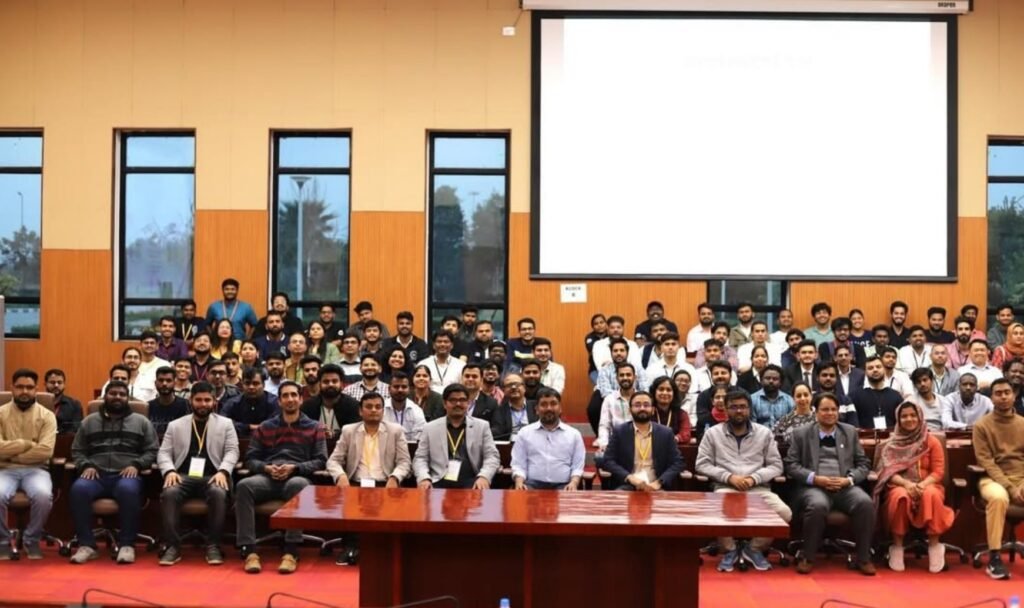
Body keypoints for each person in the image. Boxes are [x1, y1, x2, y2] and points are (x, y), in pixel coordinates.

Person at [695, 389, 791, 572]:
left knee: (784, 513)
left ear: (749, 409)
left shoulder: (764, 433)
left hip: (758, 488)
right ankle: (730, 549)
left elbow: (776, 465)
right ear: (725, 409)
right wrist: (729, 477)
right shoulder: (713, 433)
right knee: (715, 509)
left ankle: (753, 549)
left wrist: (754, 478)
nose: (739, 411)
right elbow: (701, 464)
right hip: (725, 487)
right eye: (733, 407)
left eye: (743, 407)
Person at [236, 381, 327, 575]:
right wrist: (266, 468)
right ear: (279, 401)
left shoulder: (314, 427)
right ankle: (249, 549)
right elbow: (250, 459)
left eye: (294, 395)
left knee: (298, 485)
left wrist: (296, 468)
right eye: (285, 396)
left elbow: (321, 460)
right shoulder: (265, 427)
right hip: (268, 477)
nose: (290, 399)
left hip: (297, 477)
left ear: (301, 399)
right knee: (244, 486)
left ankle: (291, 551)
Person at [784, 392, 875, 576]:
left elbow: (864, 464)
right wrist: (815, 479)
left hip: (844, 485)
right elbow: (791, 465)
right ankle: (808, 557)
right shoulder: (801, 433)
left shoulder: (849, 432)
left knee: (865, 503)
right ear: (815, 412)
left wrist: (849, 480)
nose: (830, 413)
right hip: (814, 486)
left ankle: (863, 558)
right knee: (817, 505)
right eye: (825, 409)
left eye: (834, 409)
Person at [68, 381, 159, 564]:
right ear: (105, 396)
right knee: (79, 490)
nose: (117, 397)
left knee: (128, 490)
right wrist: (85, 465)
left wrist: (137, 465)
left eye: (122, 394)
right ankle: (87, 545)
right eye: (113, 393)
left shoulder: (141, 422)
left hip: (126, 474)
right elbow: (77, 450)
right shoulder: (89, 421)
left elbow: (152, 450)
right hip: (96, 475)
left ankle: (127, 545)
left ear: (128, 398)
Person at [156, 382, 239, 567]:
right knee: (169, 492)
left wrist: (223, 471)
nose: (203, 404)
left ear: (214, 402)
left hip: (213, 475)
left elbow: (232, 451)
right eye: (198, 400)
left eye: (207, 400)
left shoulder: (226, 424)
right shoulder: (175, 425)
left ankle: (213, 545)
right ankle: (172, 546)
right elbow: (163, 453)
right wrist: (169, 471)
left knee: (218, 492)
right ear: (190, 401)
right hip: (182, 475)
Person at [327, 392, 412, 566]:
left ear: (383, 411)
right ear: (360, 411)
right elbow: (333, 461)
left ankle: (385, 550)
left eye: (378, 407)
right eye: (369, 407)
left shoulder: (395, 431)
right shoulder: (349, 431)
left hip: (385, 483)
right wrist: (341, 476)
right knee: (350, 501)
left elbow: (404, 462)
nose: (374, 410)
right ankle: (351, 547)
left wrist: (395, 477)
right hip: (356, 483)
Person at [874, 401, 955, 573]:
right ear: (898, 419)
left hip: (929, 484)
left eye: (913, 415)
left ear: (920, 417)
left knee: (931, 494)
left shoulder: (931, 442)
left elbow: (938, 472)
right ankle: (897, 546)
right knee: (900, 496)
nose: (909, 419)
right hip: (900, 485)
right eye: (904, 416)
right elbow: (886, 472)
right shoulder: (890, 445)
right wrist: (907, 484)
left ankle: (934, 546)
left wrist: (922, 485)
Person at [0, 369, 57, 560]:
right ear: (12, 388)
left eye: (29, 387)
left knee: (43, 495)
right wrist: (26, 444)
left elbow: (45, 451)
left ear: (36, 389)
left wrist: (10, 456)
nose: (24, 391)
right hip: (4, 470)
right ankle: (3, 542)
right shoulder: (0, 413)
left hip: (36, 469)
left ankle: (31, 539)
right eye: (20, 387)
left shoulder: (47, 416)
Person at [971, 378, 1024, 580]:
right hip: (991, 479)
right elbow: (986, 462)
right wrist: (1011, 488)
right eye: (998, 393)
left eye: (1007, 393)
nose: (1003, 397)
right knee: (999, 497)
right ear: (991, 398)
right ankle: (994, 558)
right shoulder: (982, 425)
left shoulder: (1022, 424)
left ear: (1014, 395)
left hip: (1021, 478)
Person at [413, 384, 500, 489]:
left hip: (473, 483)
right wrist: (424, 478)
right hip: (438, 483)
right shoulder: (430, 428)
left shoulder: (482, 426)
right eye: (453, 400)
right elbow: (420, 458)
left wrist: (484, 477)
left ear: (468, 403)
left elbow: (492, 456)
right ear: (444, 403)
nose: (458, 404)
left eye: (462, 400)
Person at [601, 392, 686, 491]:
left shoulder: (665, 433)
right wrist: (629, 477)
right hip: (628, 485)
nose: (642, 408)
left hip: (656, 486)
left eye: (646, 405)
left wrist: (659, 482)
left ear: (653, 410)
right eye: (637, 405)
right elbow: (608, 460)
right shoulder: (620, 432)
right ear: (630, 410)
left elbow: (678, 462)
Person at [511, 388, 586, 491]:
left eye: (553, 404)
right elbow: (518, 463)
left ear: (560, 408)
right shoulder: (525, 433)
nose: (549, 408)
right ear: (536, 409)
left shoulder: (574, 434)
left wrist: (574, 483)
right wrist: (519, 482)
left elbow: (577, 466)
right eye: (544, 404)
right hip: (532, 485)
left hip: (564, 486)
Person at [300, 364, 360, 441]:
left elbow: (354, 433)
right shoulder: (308, 406)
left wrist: (334, 435)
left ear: (341, 384)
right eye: (326, 382)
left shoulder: (353, 406)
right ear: (319, 383)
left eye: (334, 381)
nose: (330, 384)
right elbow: (303, 433)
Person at [221, 367, 280, 438]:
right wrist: (248, 427)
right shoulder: (233, 402)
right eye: (247, 383)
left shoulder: (274, 402)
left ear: (263, 385)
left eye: (255, 384)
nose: (251, 387)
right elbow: (222, 422)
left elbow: (277, 423)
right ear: (242, 384)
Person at [852, 355, 904, 430]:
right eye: (870, 368)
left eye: (878, 367)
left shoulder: (896, 395)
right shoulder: (854, 396)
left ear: (884, 369)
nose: (875, 370)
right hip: (864, 436)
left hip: (891, 436)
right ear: (865, 372)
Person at [596, 363, 638, 451]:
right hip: (616, 443)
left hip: (639, 443)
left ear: (635, 377)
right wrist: (604, 444)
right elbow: (604, 426)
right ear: (617, 378)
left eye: (628, 375)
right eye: (621, 375)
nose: (625, 378)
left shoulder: (642, 399)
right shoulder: (609, 399)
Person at [490, 373, 537, 440]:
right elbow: (498, 432)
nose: (513, 387)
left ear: (524, 388)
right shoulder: (499, 411)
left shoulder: (536, 407)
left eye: (517, 384)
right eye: (509, 385)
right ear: (503, 390)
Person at [649, 375, 692, 448]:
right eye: (661, 389)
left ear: (674, 393)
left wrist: (673, 439)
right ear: (654, 392)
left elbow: (685, 434)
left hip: (673, 449)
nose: (665, 393)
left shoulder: (681, 414)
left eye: (668, 390)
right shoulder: (648, 412)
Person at [383, 371, 426, 442]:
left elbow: (419, 439)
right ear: (389, 389)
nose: (400, 390)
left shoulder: (417, 411)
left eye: (404, 387)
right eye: (396, 387)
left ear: (409, 389)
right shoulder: (381, 409)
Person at [147, 366, 190, 435]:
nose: (164, 384)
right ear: (155, 383)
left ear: (174, 383)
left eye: (168, 380)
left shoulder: (185, 405)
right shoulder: (148, 406)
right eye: (161, 380)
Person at [44, 368, 83, 434]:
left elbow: (76, 428)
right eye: (52, 382)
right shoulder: (37, 403)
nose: (56, 385)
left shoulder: (75, 405)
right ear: (45, 384)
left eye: (59, 382)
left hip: (65, 439)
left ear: (64, 384)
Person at [585, 313, 608, 384]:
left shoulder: (611, 335)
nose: (599, 325)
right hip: (595, 370)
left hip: (612, 368)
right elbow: (595, 350)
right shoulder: (589, 338)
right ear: (593, 327)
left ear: (606, 324)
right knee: (601, 386)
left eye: (601, 322)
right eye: (596, 324)